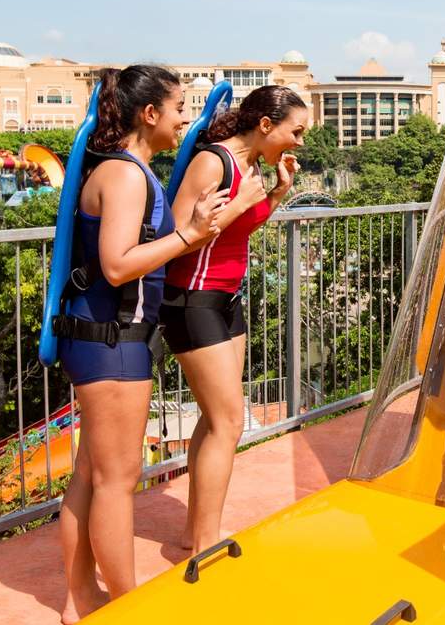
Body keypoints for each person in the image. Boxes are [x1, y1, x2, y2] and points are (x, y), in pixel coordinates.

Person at [57, 65, 229, 624]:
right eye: (179, 107)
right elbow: (115, 265)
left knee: (91, 476)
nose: (185, 119)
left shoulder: (126, 169)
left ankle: (80, 599)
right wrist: (189, 235)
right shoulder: (127, 176)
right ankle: (127, 607)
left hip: (104, 339)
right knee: (115, 482)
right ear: (149, 113)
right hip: (111, 342)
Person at [160, 84, 308, 554]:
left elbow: (237, 230)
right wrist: (244, 202)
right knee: (228, 422)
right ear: (266, 125)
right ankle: (207, 543)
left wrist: (277, 194)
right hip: (191, 298)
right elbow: (180, 233)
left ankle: (194, 531)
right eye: (296, 132)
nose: (299, 143)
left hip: (227, 297)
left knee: (215, 418)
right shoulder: (214, 161)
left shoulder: (253, 167)